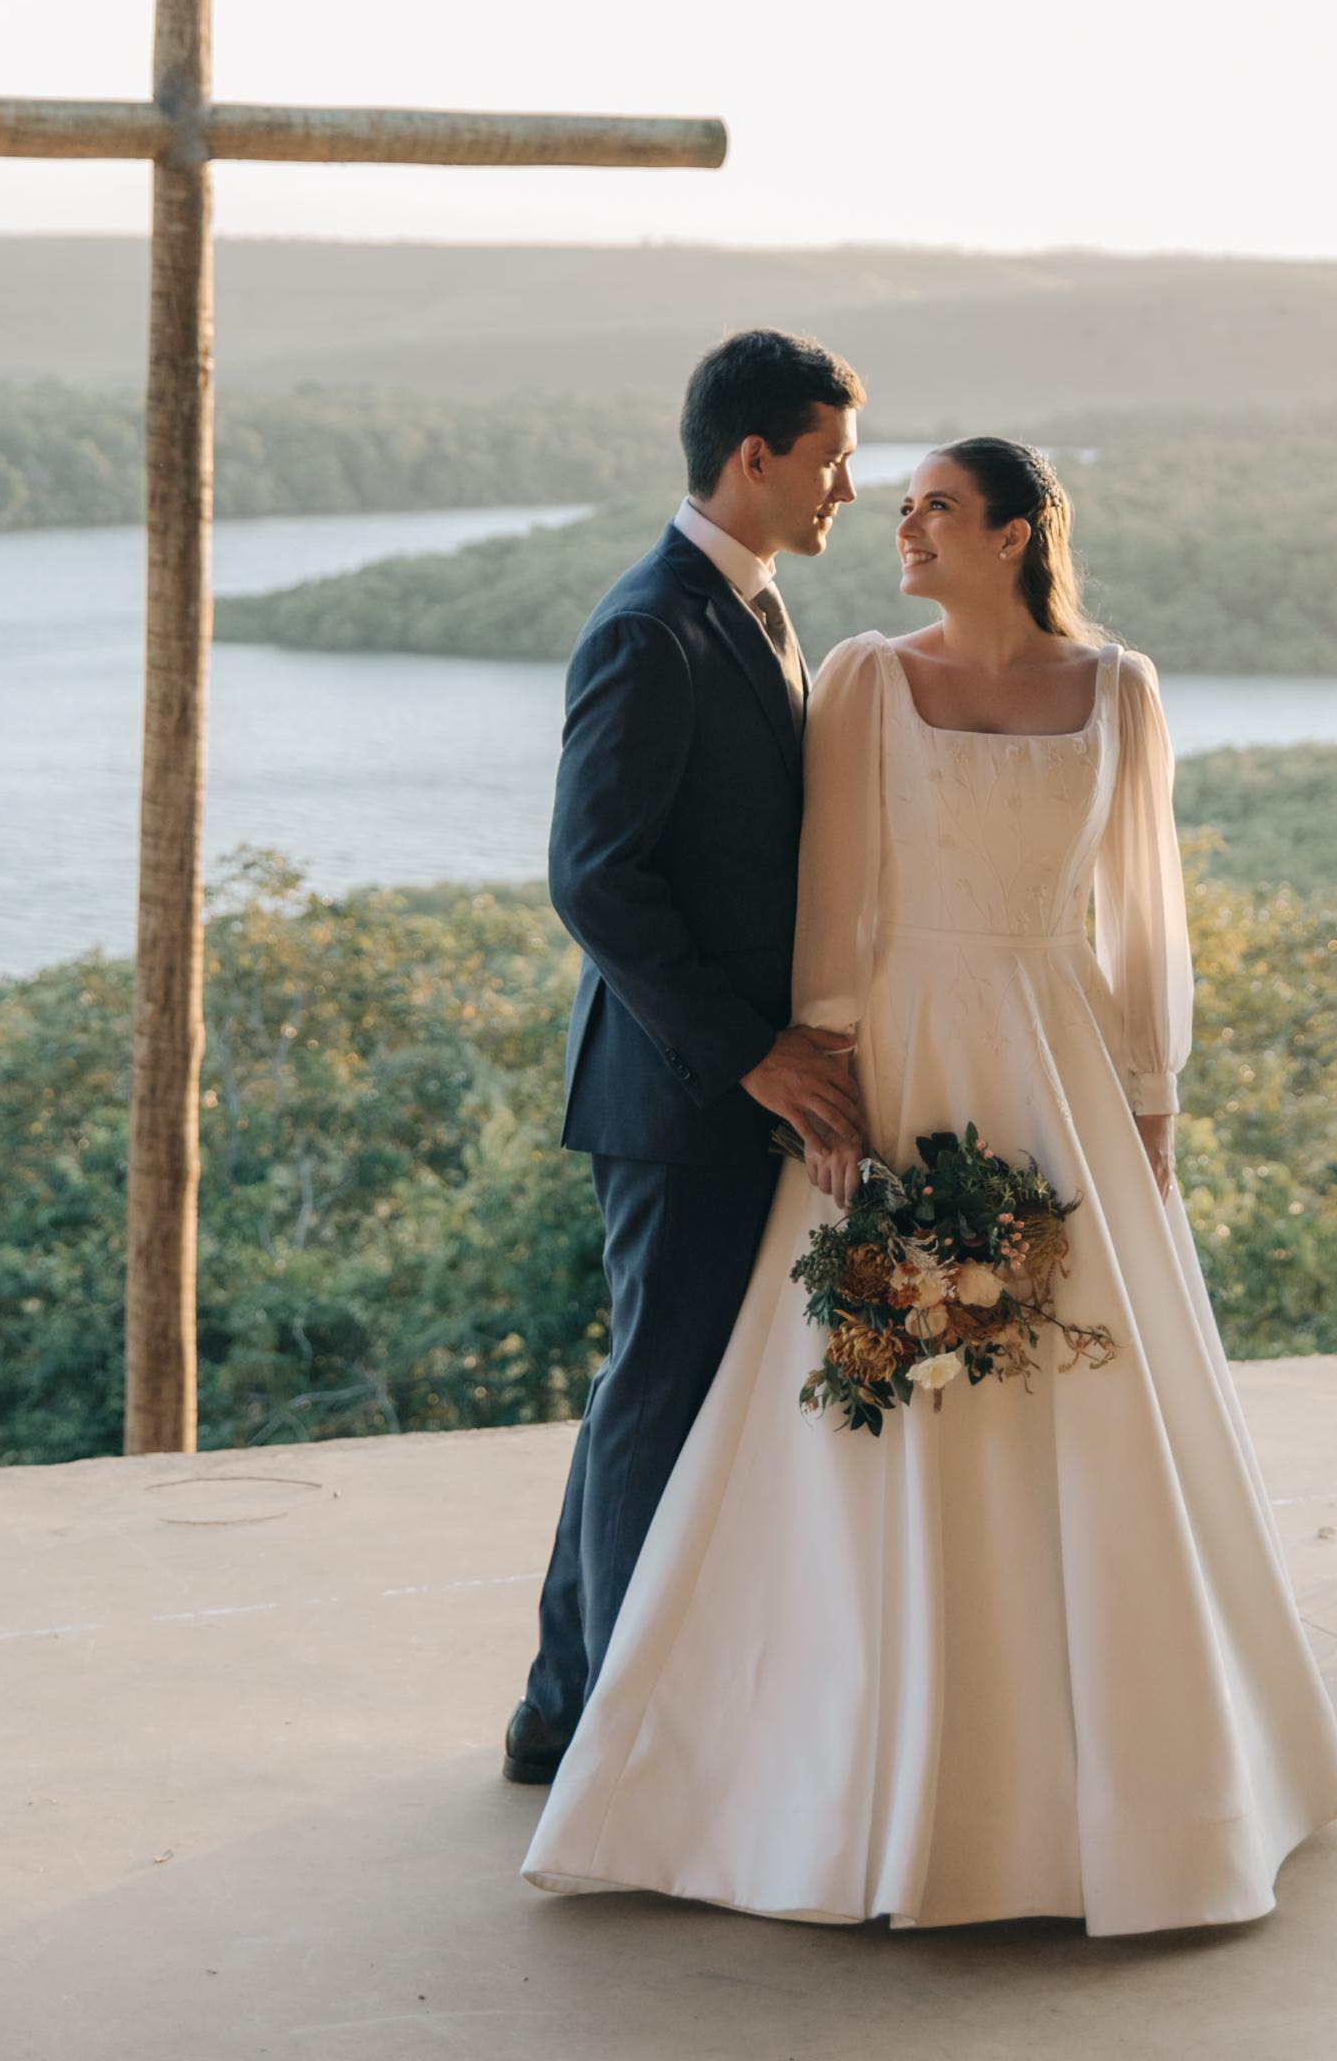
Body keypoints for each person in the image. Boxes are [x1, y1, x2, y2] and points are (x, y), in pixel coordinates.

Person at [522, 437, 1337, 1931]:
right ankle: (810, 1763)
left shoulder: (1122, 688)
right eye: (892, 500)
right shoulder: (861, 675)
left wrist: (1153, 1096)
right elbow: (833, 893)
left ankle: (1115, 1783)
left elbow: (1143, 910)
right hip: (903, 1050)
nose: (899, 524)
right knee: (866, 1386)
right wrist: (826, 1078)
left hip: (1066, 1060)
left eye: (933, 508)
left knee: (1094, 1394)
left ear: (1021, 534)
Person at [503, 325, 867, 1789]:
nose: (848, 488)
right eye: (832, 460)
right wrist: (751, 1059)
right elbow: (595, 878)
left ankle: (562, 1705)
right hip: (677, 1092)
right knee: (658, 1394)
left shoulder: (758, 609)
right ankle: (604, 1733)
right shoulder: (651, 625)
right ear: (755, 454)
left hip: (724, 1087)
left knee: (656, 1392)